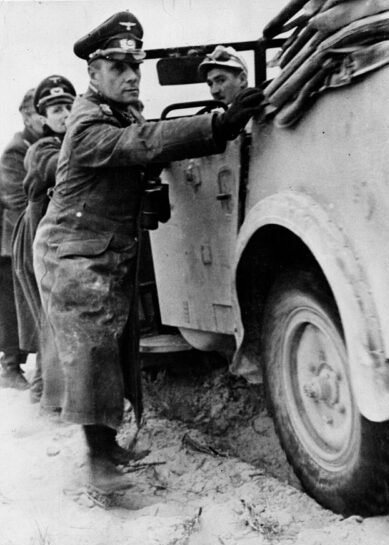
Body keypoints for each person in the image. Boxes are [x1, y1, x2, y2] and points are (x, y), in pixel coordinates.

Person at [33, 11, 264, 491]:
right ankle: (99, 468)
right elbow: (141, 143)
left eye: (134, 66)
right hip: (73, 253)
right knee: (95, 350)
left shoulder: (121, 112)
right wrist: (217, 124)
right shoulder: (87, 122)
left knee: (113, 348)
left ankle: (108, 446)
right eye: (118, 67)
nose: (132, 76)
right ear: (93, 75)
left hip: (103, 247)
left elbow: (141, 149)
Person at [12, 75, 76, 404]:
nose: (64, 114)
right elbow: (59, 167)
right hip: (33, 242)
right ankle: (47, 397)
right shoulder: (41, 149)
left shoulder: (70, 142)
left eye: (68, 106)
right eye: (56, 110)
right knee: (49, 320)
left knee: (56, 319)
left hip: (53, 242)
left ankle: (47, 393)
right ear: (43, 118)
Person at [0, 89, 43, 389]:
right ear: (28, 116)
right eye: (38, 112)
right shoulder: (17, 149)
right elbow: (16, 199)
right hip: (13, 242)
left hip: (31, 235)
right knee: (14, 309)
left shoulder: (42, 141)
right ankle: (10, 369)